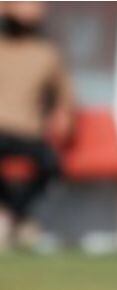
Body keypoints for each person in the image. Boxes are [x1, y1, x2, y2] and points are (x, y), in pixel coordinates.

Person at [0, 1, 74, 250]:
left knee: (51, 164)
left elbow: (65, 97)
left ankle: (12, 215)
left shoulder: (46, 53)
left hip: (27, 132)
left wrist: (63, 115)